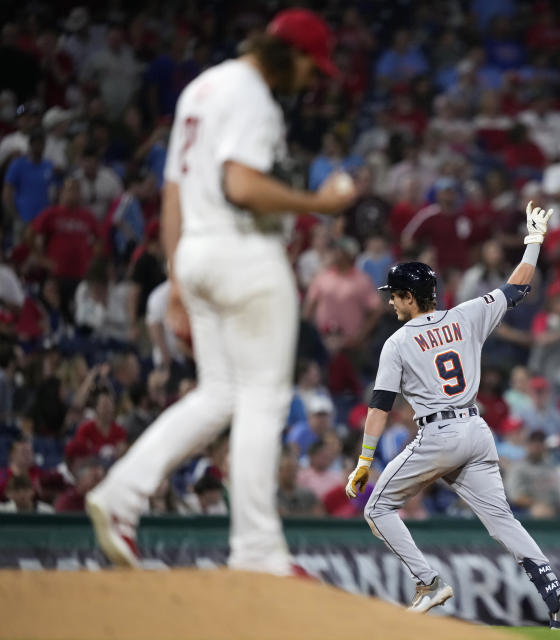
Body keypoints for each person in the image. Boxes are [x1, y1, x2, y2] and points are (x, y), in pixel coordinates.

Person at [85, 8, 356, 576]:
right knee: (264, 399)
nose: (312, 82)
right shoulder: (253, 95)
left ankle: (120, 496)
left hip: (198, 253)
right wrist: (320, 206)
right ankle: (257, 551)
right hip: (244, 256)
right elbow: (240, 182)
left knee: (218, 395)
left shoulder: (201, 89)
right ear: (293, 55)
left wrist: (179, 279)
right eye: (313, 68)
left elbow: (174, 193)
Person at [345, 202, 560, 629]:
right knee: (501, 519)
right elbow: (518, 287)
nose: (392, 303)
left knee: (376, 508)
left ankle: (428, 582)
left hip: (439, 433)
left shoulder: (398, 342)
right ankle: (556, 592)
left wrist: (364, 460)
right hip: (476, 430)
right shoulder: (466, 315)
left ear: (408, 296)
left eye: (395, 295)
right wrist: (534, 242)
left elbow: (380, 406)